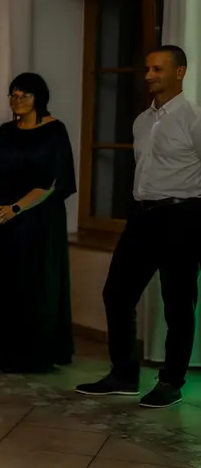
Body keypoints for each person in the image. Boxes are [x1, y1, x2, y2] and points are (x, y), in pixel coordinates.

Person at [78, 45, 200, 409]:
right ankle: (124, 374)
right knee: (116, 293)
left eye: (158, 69)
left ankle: (171, 381)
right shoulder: (142, 121)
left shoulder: (193, 118)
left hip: (182, 216)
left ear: (179, 72)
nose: (149, 75)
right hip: (142, 216)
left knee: (178, 303)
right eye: (147, 68)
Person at [0, 73, 76, 373]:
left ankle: (35, 353)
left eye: (25, 95)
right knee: (2, 283)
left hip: (38, 219)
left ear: (39, 98)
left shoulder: (55, 131)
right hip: (0, 218)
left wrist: (15, 209)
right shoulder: (5, 131)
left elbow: (52, 182)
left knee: (35, 283)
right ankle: (2, 350)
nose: (17, 100)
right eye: (13, 95)